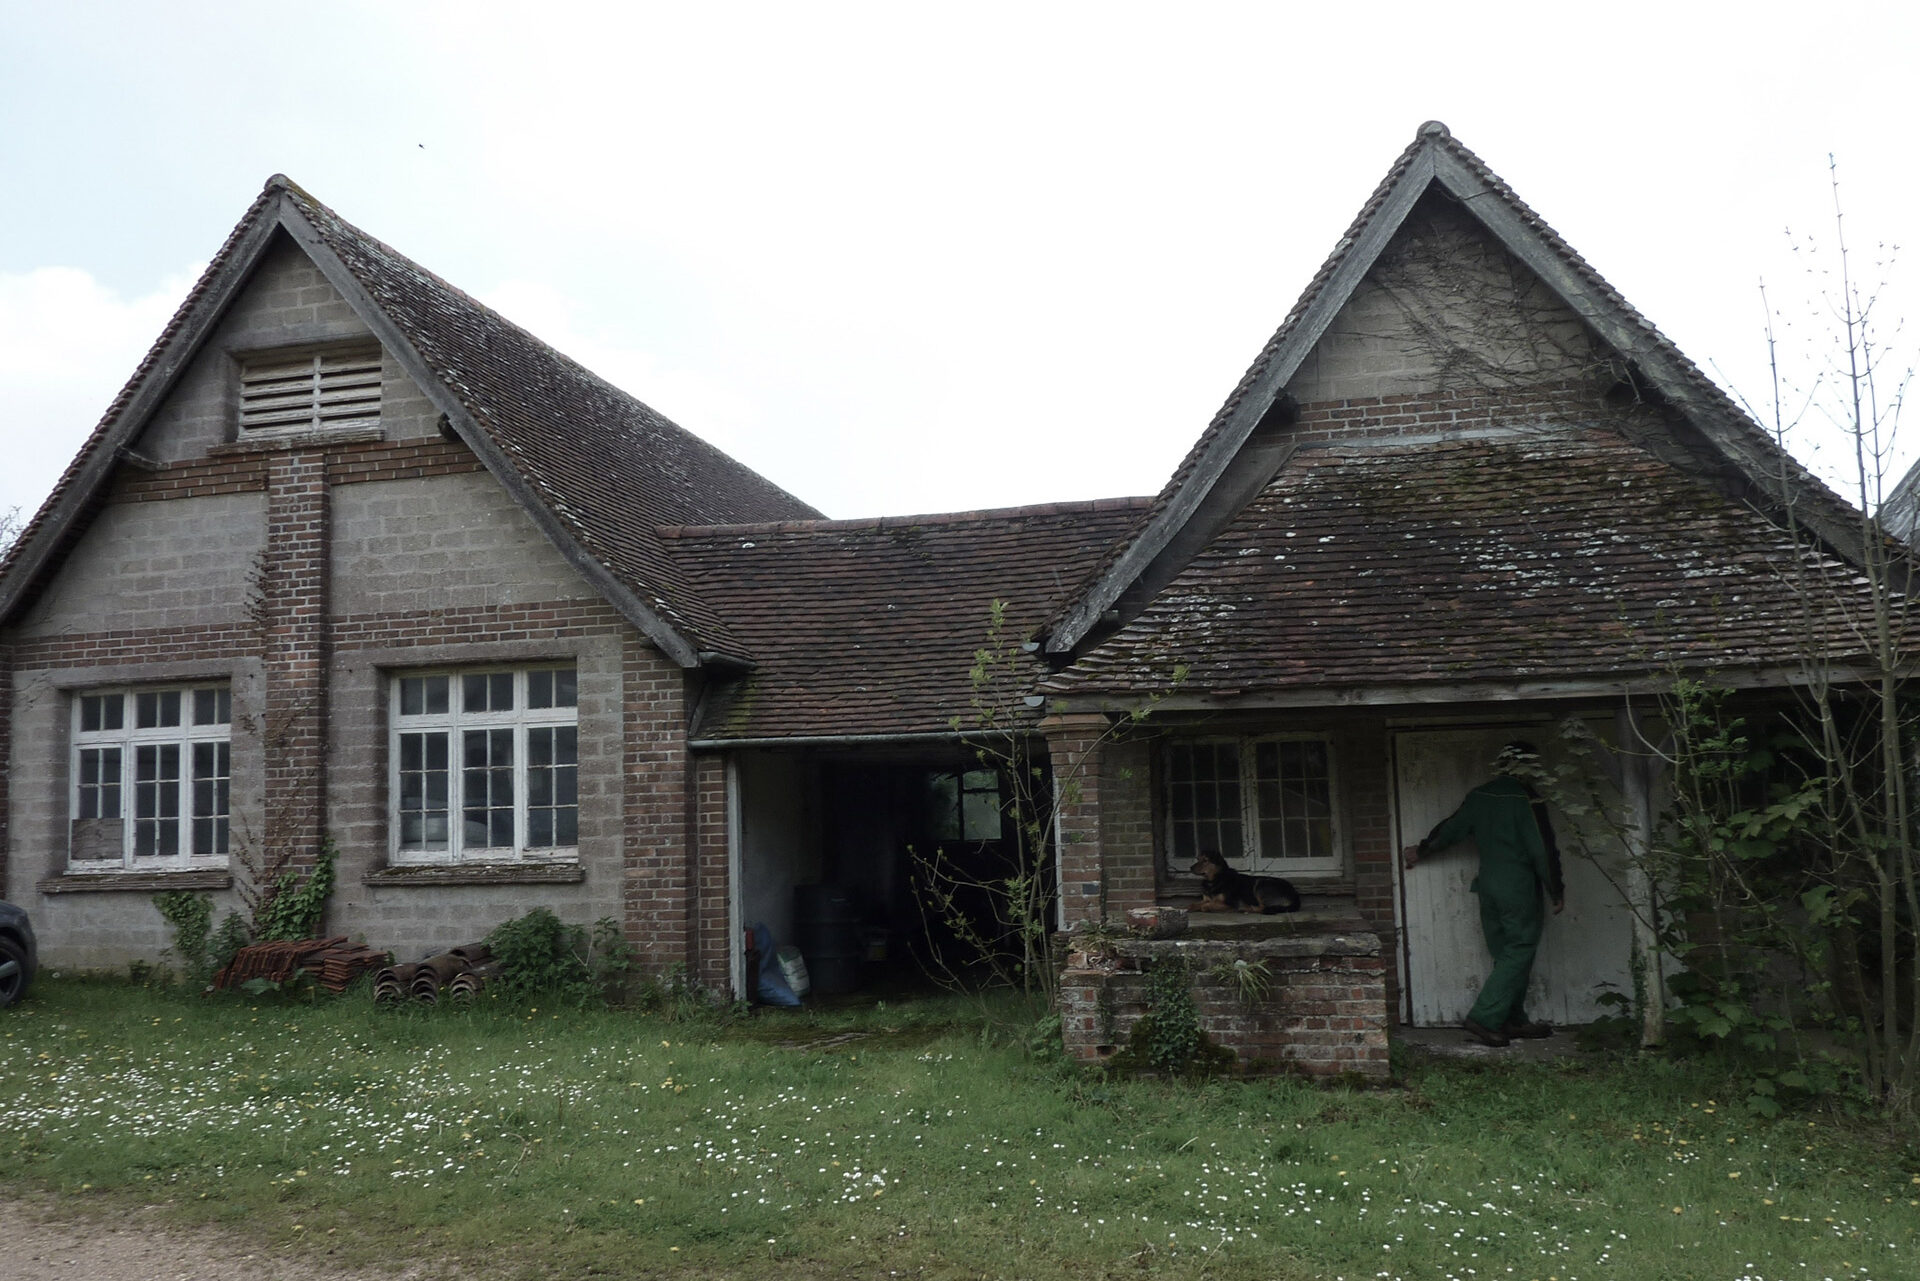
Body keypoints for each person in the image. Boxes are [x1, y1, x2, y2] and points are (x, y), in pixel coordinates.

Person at [1402, 741, 1565, 1047]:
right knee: (1519, 949)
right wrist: (1556, 889)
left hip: (1488, 885)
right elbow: (1541, 849)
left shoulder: (1480, 796)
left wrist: (1421, 850)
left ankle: (1512, 1019)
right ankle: (1485, 1017)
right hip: (1518, 887)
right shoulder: (1527, 799)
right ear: (1527, 768)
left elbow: (1451, 829)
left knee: (1505, 954)